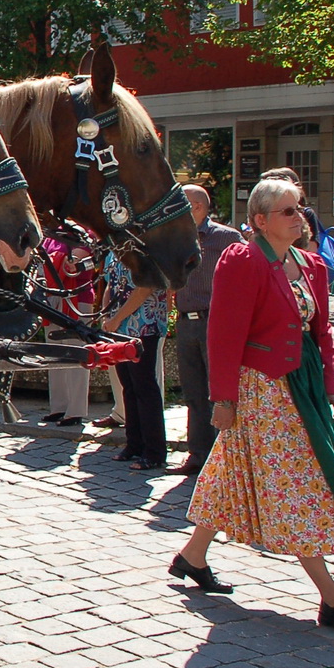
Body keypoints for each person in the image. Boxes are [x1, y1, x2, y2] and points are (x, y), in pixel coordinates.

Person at [172, 178, 334, 634]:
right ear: (260, 221)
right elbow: (223, 334)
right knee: (297, 482)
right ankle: (332, 598)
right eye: (287, 211)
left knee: (233, 470)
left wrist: (328, 386)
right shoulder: (243, 259)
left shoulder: (310, 264)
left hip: (300, 383)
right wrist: (223, 399)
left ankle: (192, 556)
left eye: (299, 208)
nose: (298, 216)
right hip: (262, 387)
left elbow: (321, 332)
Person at [169, 185, 244, 474]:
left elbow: (242, 278)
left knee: (218, 392)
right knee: (194, 393)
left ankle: (222, 458)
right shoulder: (177, 236)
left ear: (198, 207)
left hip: (215, 321)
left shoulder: (226, 238)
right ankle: (197, 454)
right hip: (186, 322)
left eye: (181, 203)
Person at [100, 246, 170, 472]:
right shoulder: (114, 250)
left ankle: (154, 451)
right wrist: (105, 315)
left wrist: (117, 318)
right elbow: (111, 284)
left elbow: (145, 288)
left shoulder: (144, 249)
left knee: (144, 388)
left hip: (143, 327)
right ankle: (134, 444)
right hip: (119, 329)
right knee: (128, 387)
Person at [39, 227, 98, 427]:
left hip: (77, 299)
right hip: (52, 298)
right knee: (54, 353)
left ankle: (76, 410)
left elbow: (75, 261)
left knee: (75, 352)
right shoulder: (50, 235)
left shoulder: (83, 233)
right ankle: (59, 406)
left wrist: (61, 260)